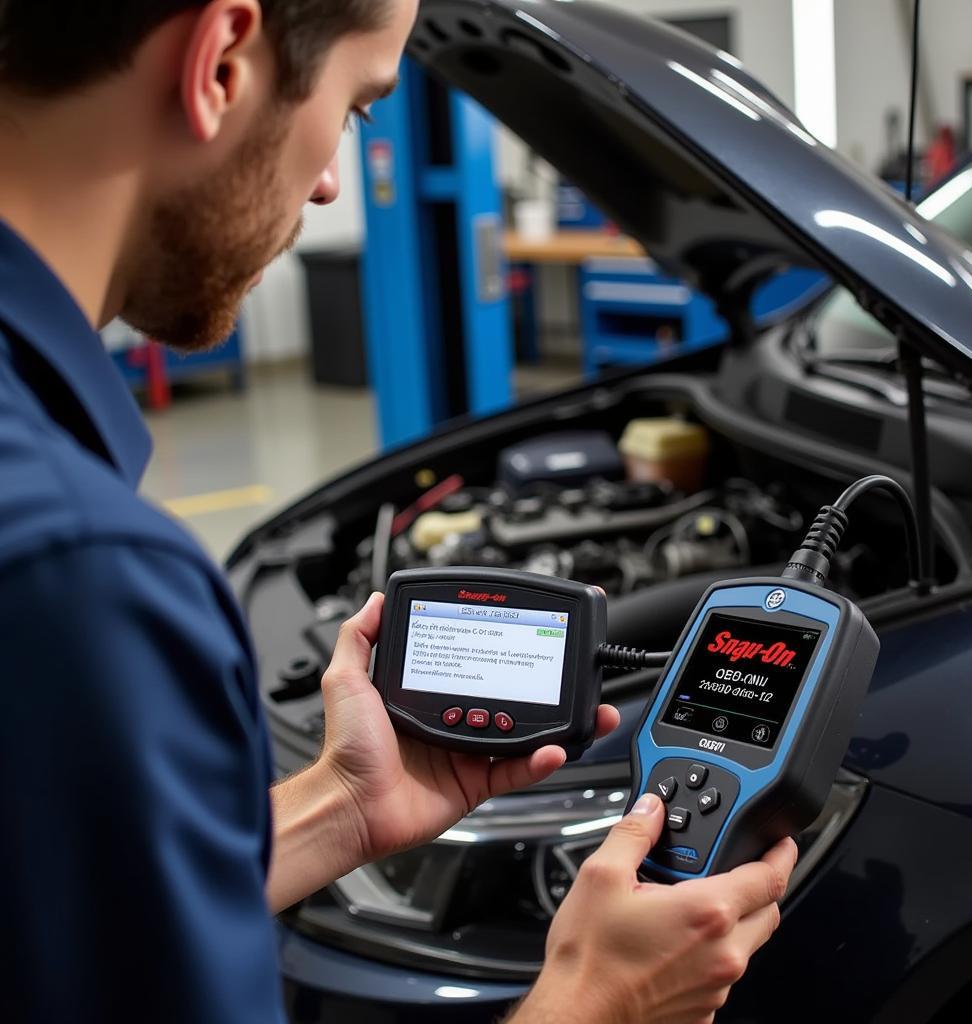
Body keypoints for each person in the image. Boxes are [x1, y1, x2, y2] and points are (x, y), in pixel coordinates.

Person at [0, 1, 797, 1021]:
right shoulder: (82, 580)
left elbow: (75, 929)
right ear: (221, 64)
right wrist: (597, 1001)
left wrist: (341, 806)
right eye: (358, 108)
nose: (332, 178)